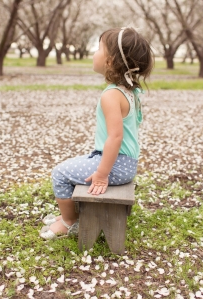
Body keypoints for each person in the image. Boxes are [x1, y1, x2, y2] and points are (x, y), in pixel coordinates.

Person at [40, 27, 154, 239]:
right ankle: (70, 214)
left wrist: (101, 175)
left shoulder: (111, 95)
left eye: (98, 49)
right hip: (124, 162)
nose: (94, 53)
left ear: (110, 61)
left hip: (116, 165)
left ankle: (69, 221)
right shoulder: (128, 90)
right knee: (73, 166)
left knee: (60, 173)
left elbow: (115, 137)